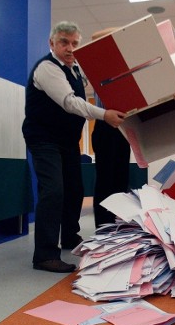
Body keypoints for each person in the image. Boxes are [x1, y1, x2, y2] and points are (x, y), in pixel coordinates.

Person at [22, 21, 125, 273]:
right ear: (52, 44)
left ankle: (69, 236)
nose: (70, 48)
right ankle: (45, 254)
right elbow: (70, 103)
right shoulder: (47, 68)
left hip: (67, 140)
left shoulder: (76, 68)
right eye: (64, 42)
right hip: (44, 139)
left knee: (74, 189)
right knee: (54, 190)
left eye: (74, 43)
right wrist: (104, 115)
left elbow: (99, 46)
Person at [89, 28, 131, 228]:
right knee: (105, 180)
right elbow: (95, 37)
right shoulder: (100, 65)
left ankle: (117, 226)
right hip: (105, 126)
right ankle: (103, 228)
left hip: (123, 128)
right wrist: (126, 32)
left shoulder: (125, 69)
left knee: (120, 181)